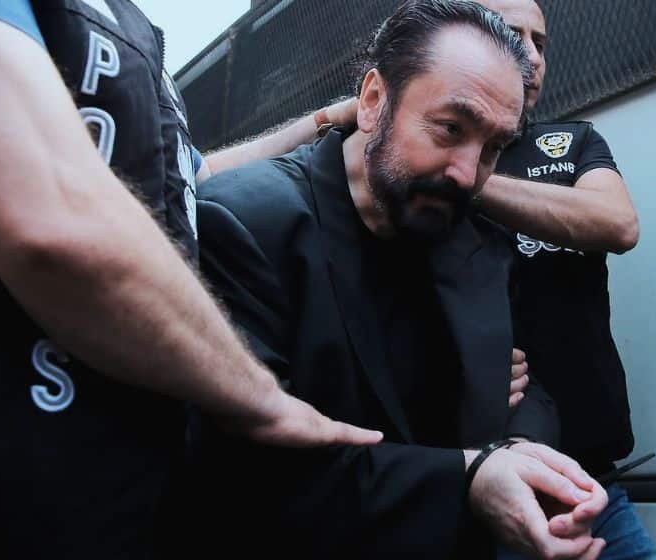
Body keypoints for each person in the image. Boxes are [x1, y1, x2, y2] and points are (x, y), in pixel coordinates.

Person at [0, 1, 380, 556]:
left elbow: (191, 177)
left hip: (108, 476)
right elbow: (56, 222)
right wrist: (263, 399)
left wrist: (321, 120)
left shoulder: (130, 31)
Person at [186, 2, 608, 559]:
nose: (468, 174)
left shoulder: (478, 242)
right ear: (372, 100)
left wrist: (523, 457)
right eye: (450, 129)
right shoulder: (245, 224)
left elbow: (528, 390)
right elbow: (245, 471)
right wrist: (470, 477)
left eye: (494, 148)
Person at [466, 1, 656, 558]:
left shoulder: (572, 143)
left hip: (589, 482)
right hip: (479, 486)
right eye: (511, 35)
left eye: (540, 42)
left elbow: (617, 223)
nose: (531, 56)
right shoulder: (415, 164)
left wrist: (465, 180)